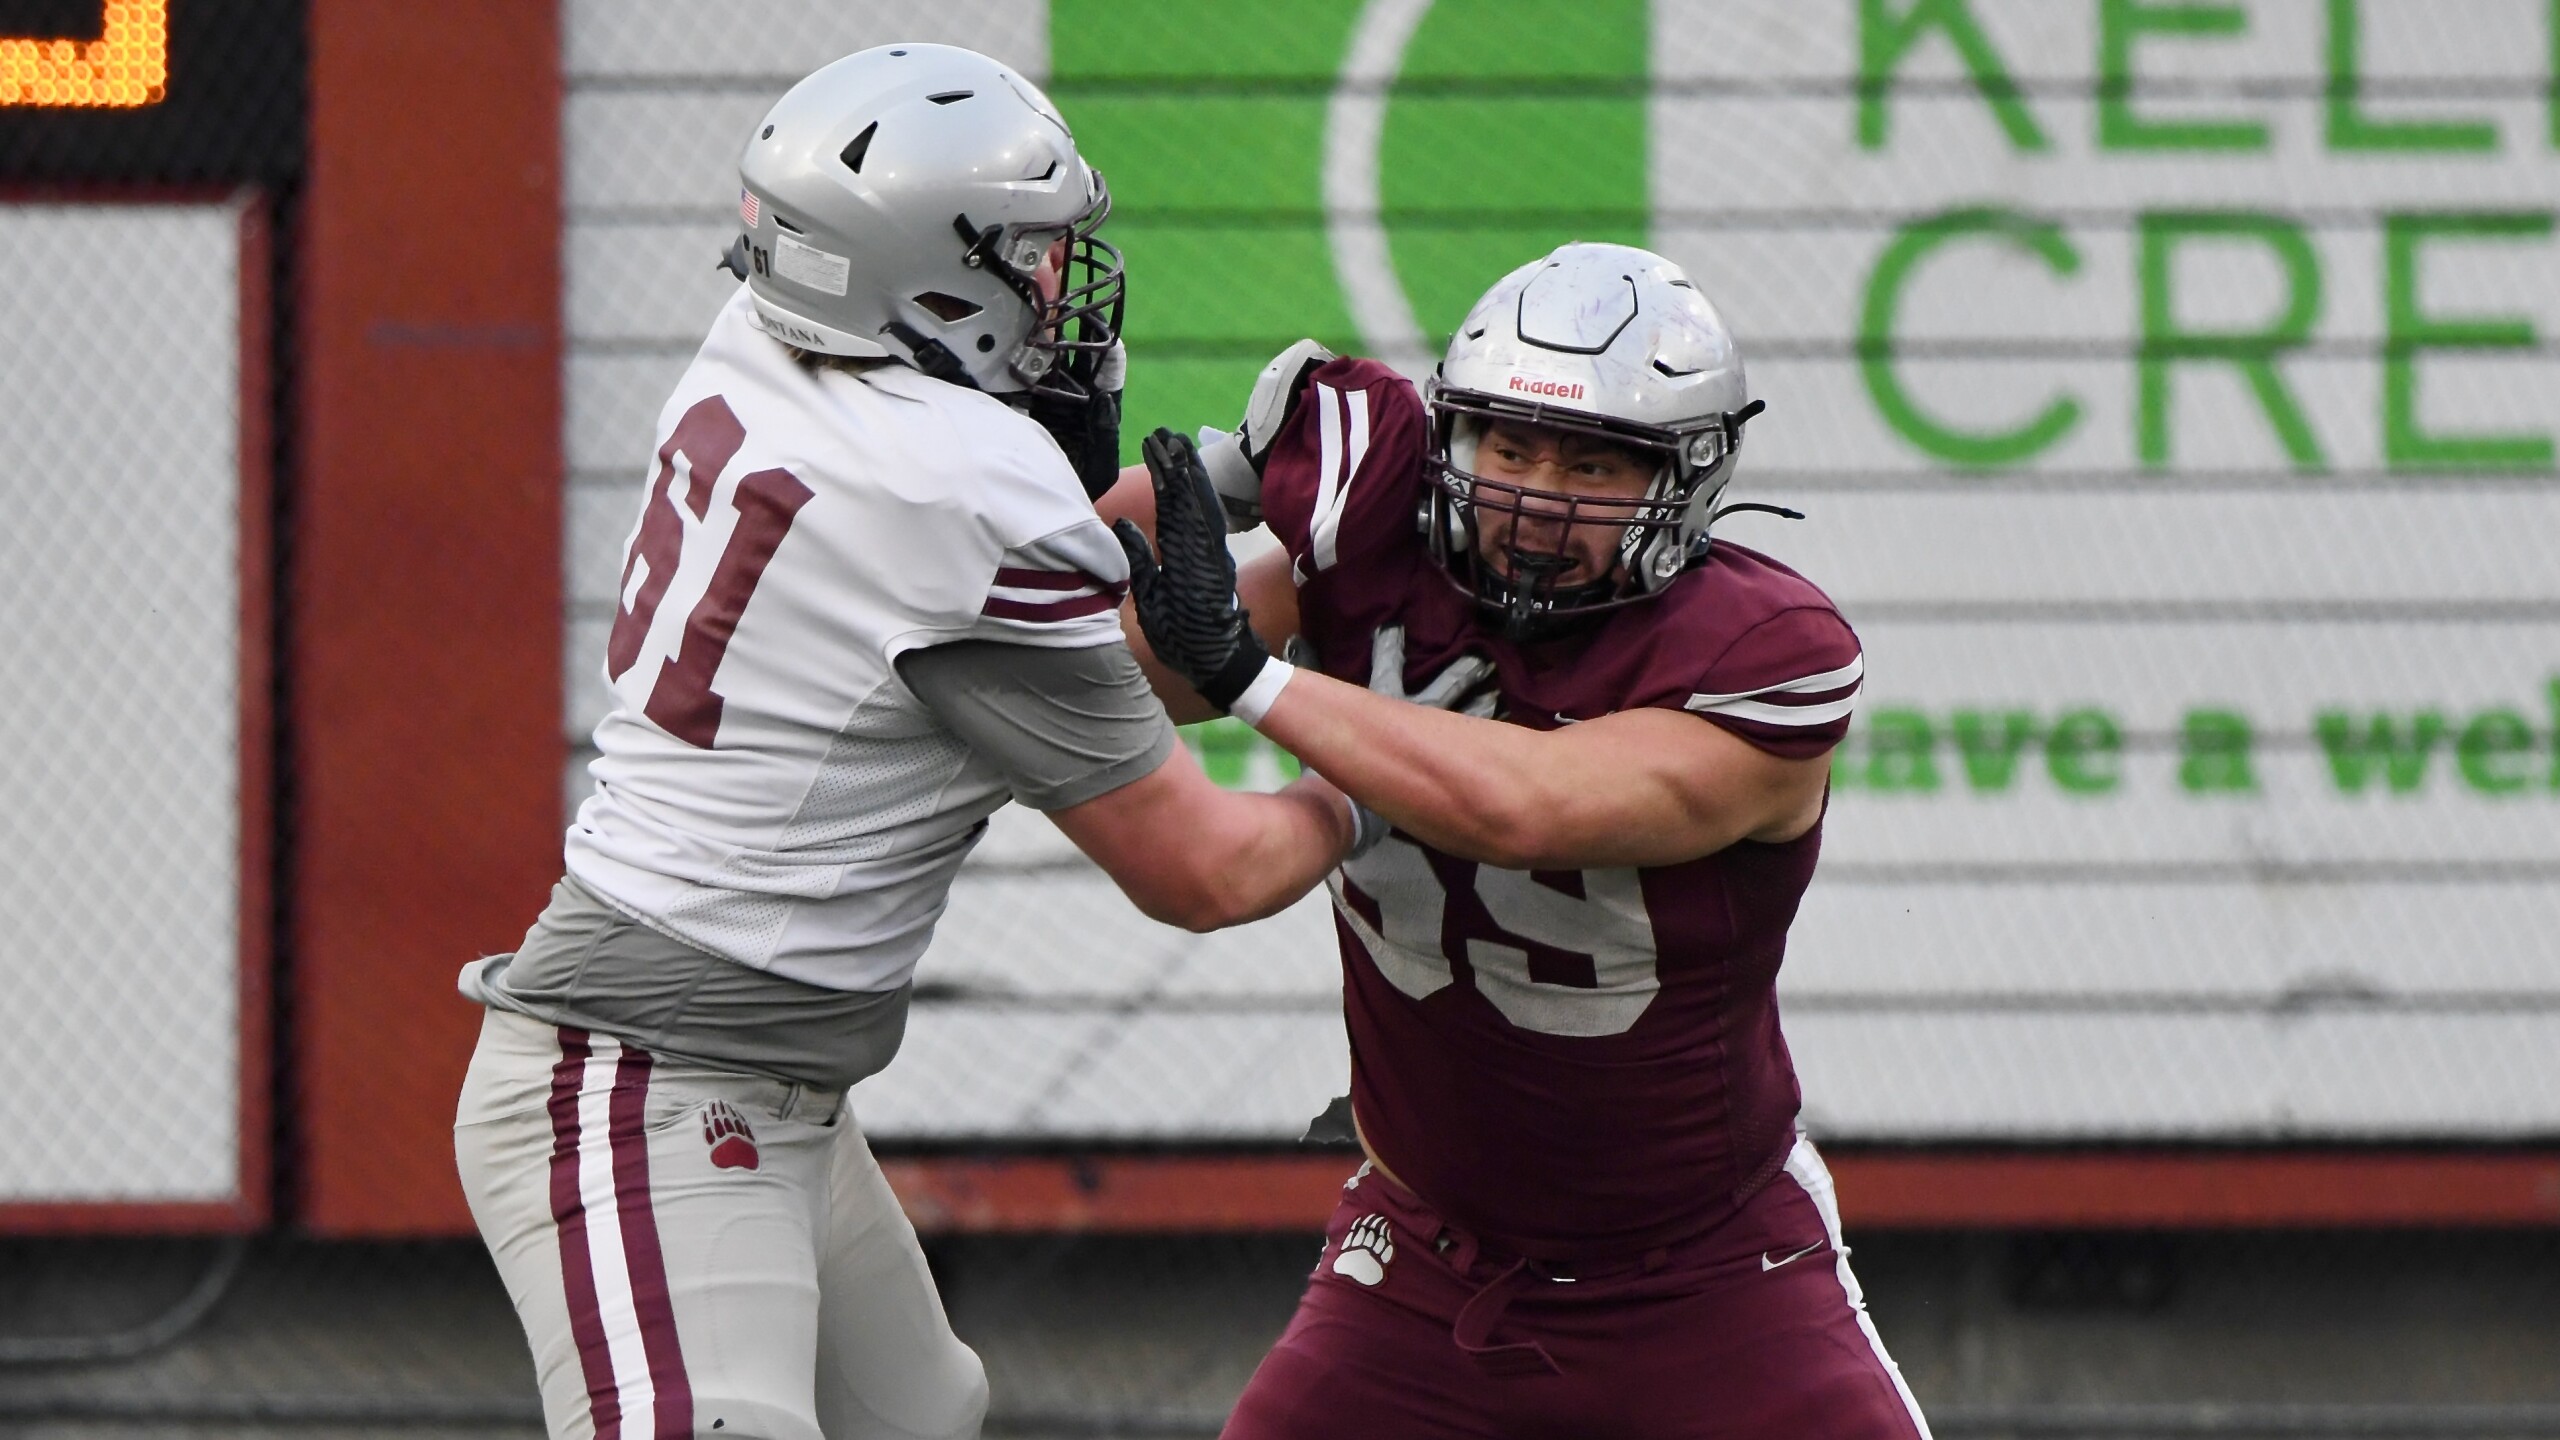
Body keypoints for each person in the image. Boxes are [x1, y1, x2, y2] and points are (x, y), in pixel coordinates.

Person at [451, 45, 1374, 1440]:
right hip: (643, 1083)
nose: (1064, 284)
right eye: (1034, 253)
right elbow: (1207, 871)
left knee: (920, 1412)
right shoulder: (954, 487)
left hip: (755, 1074)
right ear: (931, 277)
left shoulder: (769, 347)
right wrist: (1401, 762)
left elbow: (1033, 656)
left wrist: (1229, 485)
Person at [1107, 242, 1929, 1438]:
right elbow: (1134, 679)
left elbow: (1526, 804)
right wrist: (1218, 480)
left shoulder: (1764, 652)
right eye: (1511, 446)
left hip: (1706, 1281)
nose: (1537, 495)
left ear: (1684, 481)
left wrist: (1245, 668)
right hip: (1424, 1262)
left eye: (1592, 461)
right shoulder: (1376, 569)